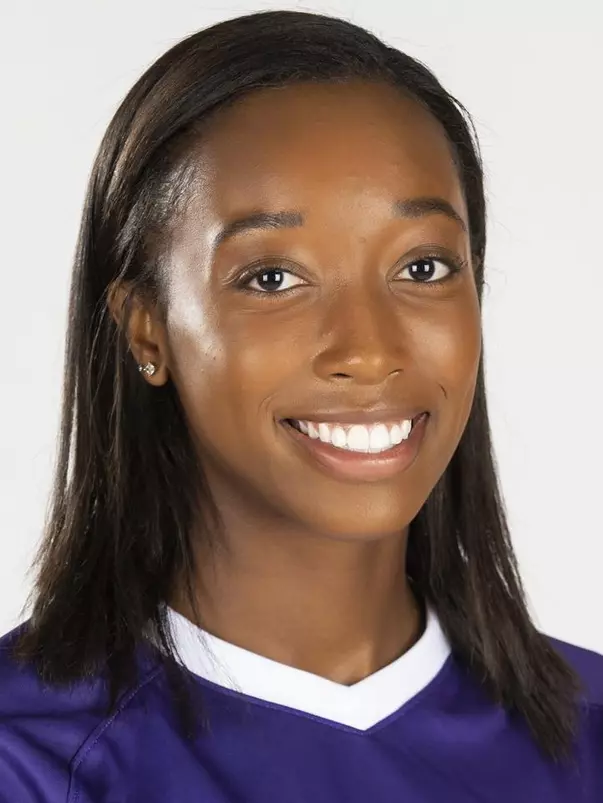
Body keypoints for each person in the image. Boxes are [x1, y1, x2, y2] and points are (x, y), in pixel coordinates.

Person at [0, 8, 601, 802]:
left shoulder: (587, 730)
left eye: (422, 268)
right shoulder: (29, 760)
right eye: (272, 278)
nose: (367, 350)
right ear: (146, 329)